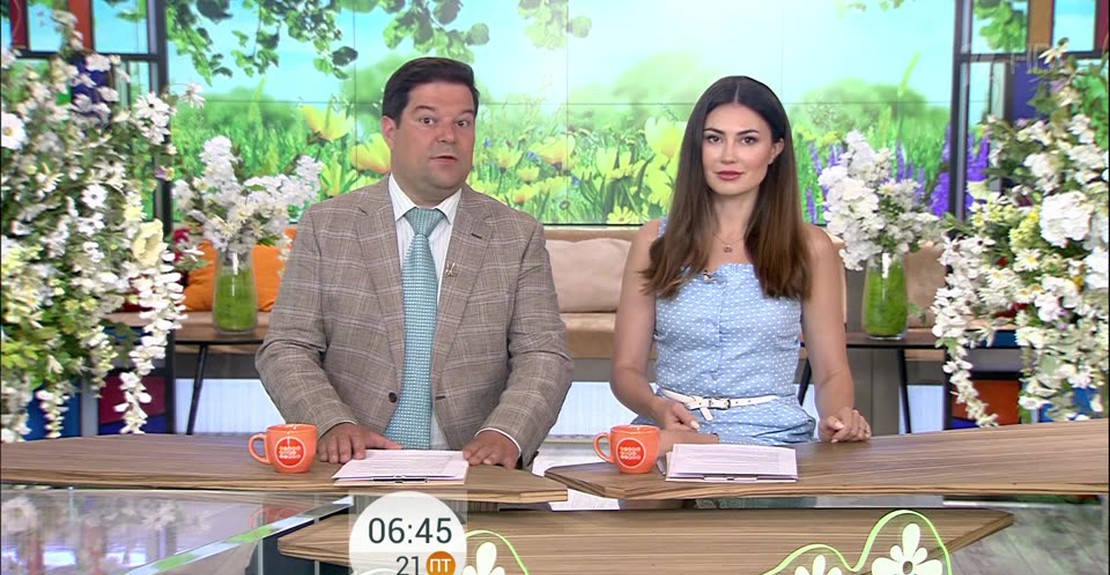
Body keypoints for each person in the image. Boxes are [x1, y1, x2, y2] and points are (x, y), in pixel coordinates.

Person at [257, 57, 573, 468]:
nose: (449, 136)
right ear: (390, 131)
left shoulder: (516, 234)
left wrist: (506, 433)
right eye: (428, 121)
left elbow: (544, 354)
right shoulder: (327, 225)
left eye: (463, 123)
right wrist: (332, 424)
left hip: (475, 469)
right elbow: (287, 347)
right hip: (351, 465)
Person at [610, 76, 871, 457]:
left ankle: (698, 449)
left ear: (775, 149)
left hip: (771, 436)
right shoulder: (654, 242)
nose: (728, 156)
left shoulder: (811, 247)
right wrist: (656, 407)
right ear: (697, 146)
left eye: (748, 140)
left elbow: (832, 371)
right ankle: (688, 446)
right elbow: (625, 370)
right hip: (669, 428)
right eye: (714, 139)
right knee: (646, 463)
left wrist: (838, 417)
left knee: (664, 454)